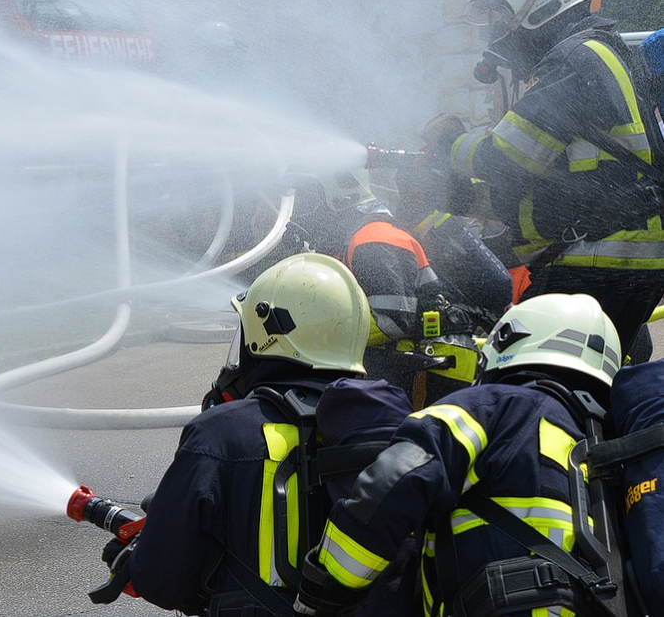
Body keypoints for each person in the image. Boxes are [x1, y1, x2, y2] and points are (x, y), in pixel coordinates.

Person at [106, 252, 417, 615]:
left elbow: (162, 581)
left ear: (268, 334)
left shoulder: (219, 435)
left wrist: (136, 561)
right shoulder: (394, 428)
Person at [293, 292, 629, 616]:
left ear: (509, 343)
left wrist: (329, 588)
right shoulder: (614, 443)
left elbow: (395, 479)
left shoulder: (491, 407)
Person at [427, 0, 664, 362]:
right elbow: (559, 183)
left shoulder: (574, 61)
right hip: (614, 258)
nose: (497, 27)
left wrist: (448, 142)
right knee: (585, 388)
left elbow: (501, 161)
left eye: (501, 11)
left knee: (525, 376)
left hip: (598, 262)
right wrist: (462, 198)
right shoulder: (593, 54)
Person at [283, 167, 494, 407]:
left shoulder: (373, 238)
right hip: (416, 361)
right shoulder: (356, 238)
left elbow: (392, 321)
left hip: (436, 368)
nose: (303, 212)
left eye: (310, 201)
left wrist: (320, 336)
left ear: (342, 198)